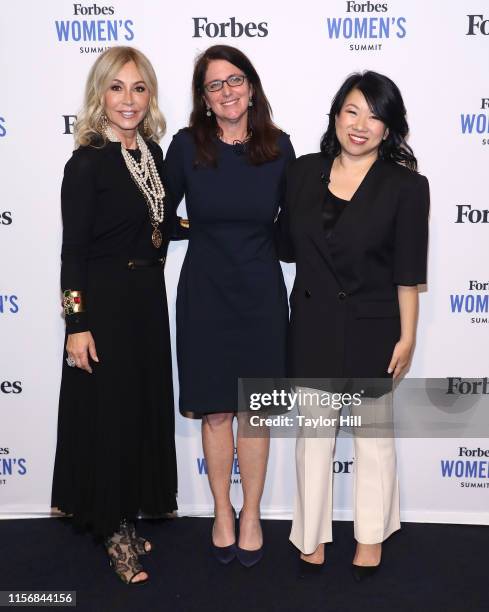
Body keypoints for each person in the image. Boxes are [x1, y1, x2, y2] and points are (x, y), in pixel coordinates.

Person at [277, 71, 429, 580]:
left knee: (373, 441)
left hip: (373, 326)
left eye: (375, 116)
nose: (361, 125)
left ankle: (370, 535)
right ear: (336, 115)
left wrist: (407, 337)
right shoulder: (301, 172)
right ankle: (312, 535)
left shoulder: (407, 187)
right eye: (352, 111)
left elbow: (408, 274)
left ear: (389, 129)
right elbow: (283, 245)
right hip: (314, 323)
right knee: (313, 440)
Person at [51, 46, 186, 585]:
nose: (128, 100)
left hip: (147, 302)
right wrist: (75, 324)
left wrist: (215, 228)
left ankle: (126, 516)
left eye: (138, 88)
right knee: (108, 420)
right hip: (104, 308)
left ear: (149, 95)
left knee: (137, 415)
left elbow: (158, 224)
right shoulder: (86, 161)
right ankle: (115, 533)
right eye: (117, 88)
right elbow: (73, 253)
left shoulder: (150, 152)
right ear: (99, 95)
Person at [164, 44, 295, 567]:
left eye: (234, 80)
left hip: (261, 293)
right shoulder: (186, 147)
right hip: (205, 293)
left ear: (252, 85)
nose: (227, 91)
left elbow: (293, 226)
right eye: (215, 85)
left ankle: (252, 514)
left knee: (253, 414)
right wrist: (195, 228)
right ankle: (222, 510)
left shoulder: (279, 147)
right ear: (204, 97)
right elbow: (159, 216)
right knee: (217, 411)